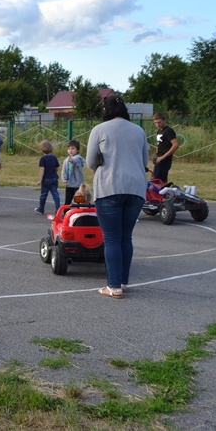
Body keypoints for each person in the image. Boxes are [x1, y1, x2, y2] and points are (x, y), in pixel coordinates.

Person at [87, 94, 150, 299]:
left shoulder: (99, 130)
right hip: (136, 188)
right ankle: (122, 282)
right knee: (126, 237)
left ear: (105, 110)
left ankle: (112, 286)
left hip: (109, 187)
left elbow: (90, 163)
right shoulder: (139, 130)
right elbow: (144, 159)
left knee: (112, 238)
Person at [35, 140, 61, 215]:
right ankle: (58, 209)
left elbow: (42, 169)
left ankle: (41, 209)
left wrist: (40, 180)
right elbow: (56, 168)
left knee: (44, 194)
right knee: (55, 194)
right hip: (54, 178)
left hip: (46, 179)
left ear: (41, 149)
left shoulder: (43, 159)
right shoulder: (54, 157)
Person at [152, 112, 179, 182]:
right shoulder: (159, 131)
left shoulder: (168, 131)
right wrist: (157, 155)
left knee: (156, 181)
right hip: (159, 158)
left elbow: (175, 145)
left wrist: (163, 157)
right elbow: (159, 144)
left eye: (159, 122)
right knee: (160, 180)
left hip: (165, 159)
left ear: (164, 120)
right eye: (155, 123)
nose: (157, 124)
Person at [61, 140, 86, 204]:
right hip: (69, 185)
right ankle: (66, 213)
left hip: (78, 185)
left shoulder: (78, 158)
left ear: (77, 150)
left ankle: (80, 212)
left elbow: (76, 162)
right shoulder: (66, 160)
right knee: (67, 201)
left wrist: (72, 161)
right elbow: (63, 171)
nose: (70, 150)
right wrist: (64, 179)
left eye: (73, 148)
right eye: (69, 148)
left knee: (78, 201)